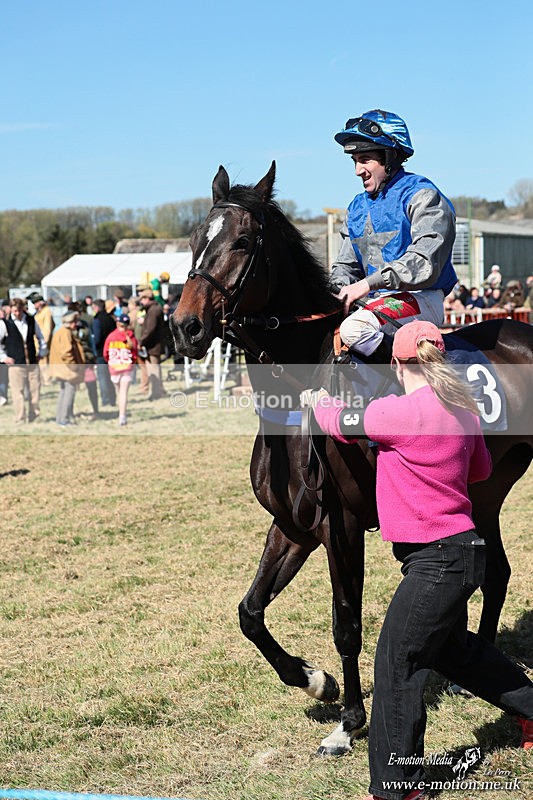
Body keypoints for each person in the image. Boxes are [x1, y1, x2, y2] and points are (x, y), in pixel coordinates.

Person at [303, 321, 533, 800]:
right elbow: (482, 471)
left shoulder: (396, 412)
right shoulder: (465, 410)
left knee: (397, 662)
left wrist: (316, 401)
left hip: (436, 562)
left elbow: (341, 425)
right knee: (455, 653)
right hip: (464, 551)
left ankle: (396, 788)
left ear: (396, 362)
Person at [328, 110, 458, 363]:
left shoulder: (423, 196)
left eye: (365, 160)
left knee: (354, 330)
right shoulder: (356, 207)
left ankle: (410, 381)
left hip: (422, 297)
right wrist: (336, 289)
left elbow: (423, 262)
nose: (357, 170)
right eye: (354, 160)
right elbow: (345, 266)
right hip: (373, 303)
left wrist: (366, 285)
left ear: (390, 158)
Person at [0, 297, 47, 424]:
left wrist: (41, 352)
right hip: (16, 363)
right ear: (11, 309)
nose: (17, 313)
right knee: (17, 392)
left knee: (35, 390)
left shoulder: (31, 320)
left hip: (31, 361)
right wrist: (3, 357)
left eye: (19, 310)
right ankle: (20, 417)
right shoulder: (5, 323)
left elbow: (41, 337)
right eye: (15, 310)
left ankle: (34, 415)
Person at [49, 311, 85, 426]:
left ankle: (60, 418)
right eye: (75, 321)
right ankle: (64, 419)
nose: (76, 324)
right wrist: (75, 367)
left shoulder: (60, 332)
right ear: (70, 322)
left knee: (63, 392)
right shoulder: (66, 333)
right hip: (67, 370)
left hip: (61, 368)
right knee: (69, 393)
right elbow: (66, 353)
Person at [103, 313, 138, 425]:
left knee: (119, 393)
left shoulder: (111, 336)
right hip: (126, 367)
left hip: (114, 368)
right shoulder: (130, 336)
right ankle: (122, 416)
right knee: (123, 393)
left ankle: (121, 413)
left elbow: (105, 353)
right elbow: (135, 352)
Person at [138, 289, 166, 400]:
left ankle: (156, 393)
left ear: (147, 299)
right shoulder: (154, 308)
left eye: (143, 299)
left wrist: (141, 341)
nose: (141, 302)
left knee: (153, 370)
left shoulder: (153, 310)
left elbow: (150, 329)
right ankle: (160, 390)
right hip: (153, 345)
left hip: (153, 345)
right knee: (155, 369)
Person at [92, 299, 117, 407]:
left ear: (96, 307)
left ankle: (105, 399)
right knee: (111, 376)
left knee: (102, 377)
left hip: (101, 352)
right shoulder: (110, 319)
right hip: (111, 350)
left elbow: (97, 338)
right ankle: (113, 398)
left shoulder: (97, 320)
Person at [31, 294, 55, 385]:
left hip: (43, 341)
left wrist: (44, 342)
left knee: (44, 361)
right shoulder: (38, 313)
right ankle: (42, 379)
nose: (34, 305)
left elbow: (47, 328)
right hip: (37, 341)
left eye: (35, 302)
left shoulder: (46, 311)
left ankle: (47, 380)